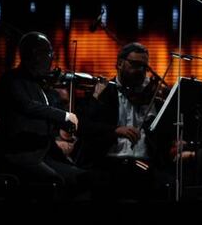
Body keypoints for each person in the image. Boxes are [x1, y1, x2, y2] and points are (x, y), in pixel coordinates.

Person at [75, 42, 175, 200]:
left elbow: (164, 135)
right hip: (108, 162)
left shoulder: (152, 96)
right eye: (135, 65)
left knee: (170, 184)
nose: (141, 71)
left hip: (144, 163)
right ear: (120, 63)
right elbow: (85, 127)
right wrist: (116, 130)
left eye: (144, 67)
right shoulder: (102, 92)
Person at [0, 31, 86, 197]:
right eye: (48, 53)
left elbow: (49, 112)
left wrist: (62, 128)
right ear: (35, 55)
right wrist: (64, 116)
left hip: (45, 153)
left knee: (82, 177)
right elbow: (27, 106)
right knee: (55, 182)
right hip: (21, 155)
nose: (52, 58)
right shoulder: (11, 79)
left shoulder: (40, 84)